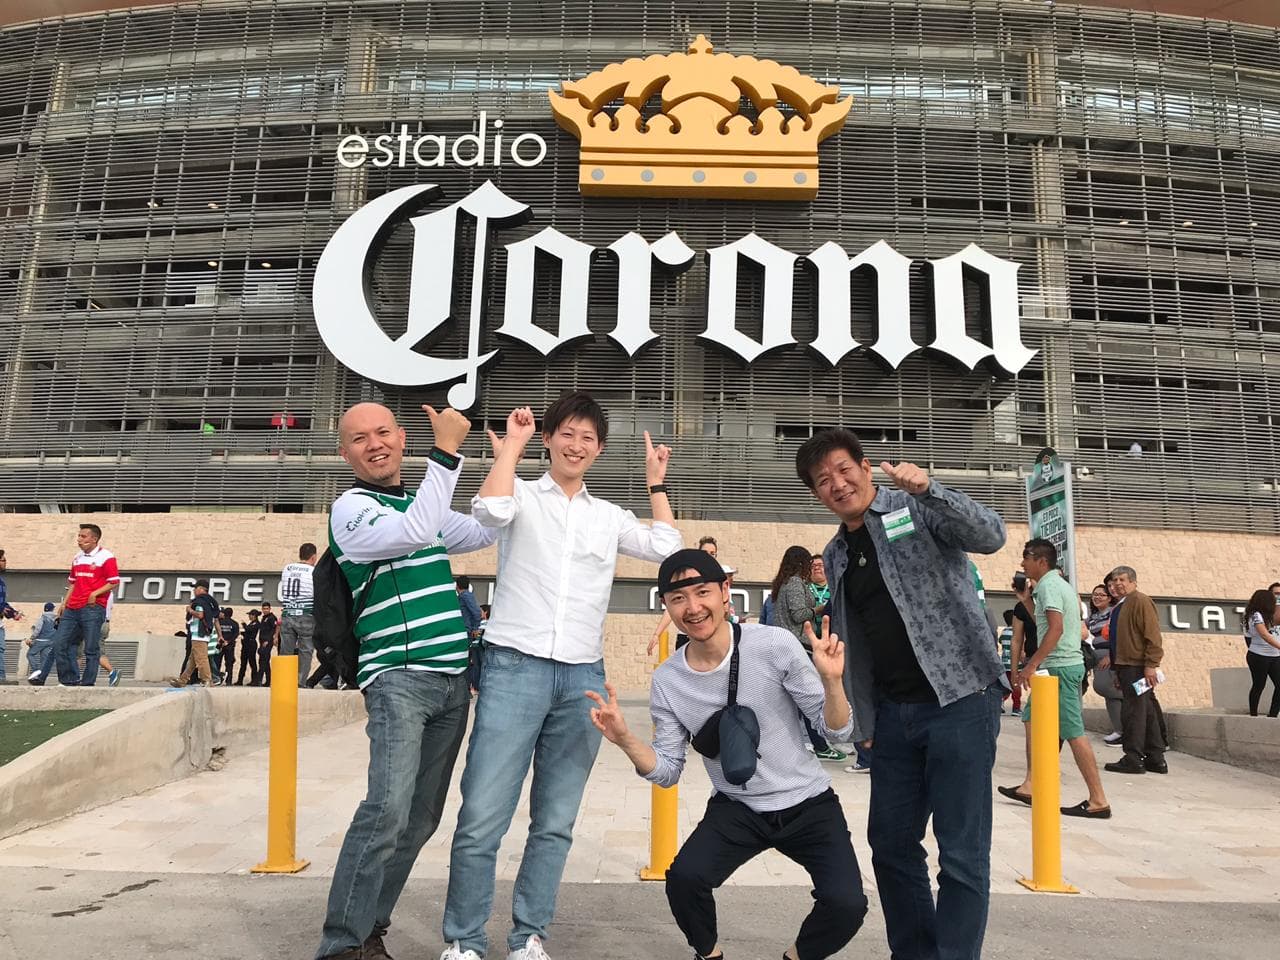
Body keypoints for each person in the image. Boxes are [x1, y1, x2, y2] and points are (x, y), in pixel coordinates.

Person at [440, 394, 681, 960]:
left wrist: (655, 486)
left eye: (588, 438)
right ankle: (464, 941)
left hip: (581, 678)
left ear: (599, 450)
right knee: (481, 816)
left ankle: (528, 937)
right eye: (566, 434)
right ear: (548, 439)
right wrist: (513, 450)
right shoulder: (521, 493)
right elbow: (489, 513)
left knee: (554, 822)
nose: (577, 445)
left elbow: (667, 548)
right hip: (512, 668)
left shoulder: (608, 516)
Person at [586, 549, 867, 960]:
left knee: (847, 904)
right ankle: (709, 954)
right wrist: (627, 739)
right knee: (684, 879)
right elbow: (666, 771)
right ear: (665, 605)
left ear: (725, 592)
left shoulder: (774, 645)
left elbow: (836, 730)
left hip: (808, 802)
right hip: (738, 808)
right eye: (678, 598)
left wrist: (832, 683)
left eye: (702, 593)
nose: (693, 608)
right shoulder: (668, 680)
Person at [796, 428, 1006, 960]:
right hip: (893, 717)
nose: (837, 484)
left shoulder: (916, 507)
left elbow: (991, 535)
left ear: (867, 467)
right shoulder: (836, 551)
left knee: (960, 855)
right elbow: (856, 641)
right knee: (890, 846)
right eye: (823, 481)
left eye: (845, 470)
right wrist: (861, 722)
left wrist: (930, 488)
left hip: (960, 700)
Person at [315, 402, 497, 960]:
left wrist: (507, 455)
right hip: (397, 678)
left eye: (384, 432)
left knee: (419, 818)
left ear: (400, 437)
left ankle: (371, 930)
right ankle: (340, 945)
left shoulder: (424, 502)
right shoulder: (352, 508)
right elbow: (415, 530)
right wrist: (446, 452)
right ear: (345, 452)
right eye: (359, 438)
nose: (375, 444)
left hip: (450, 682)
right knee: (386, 810)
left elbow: (488, 528)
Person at [998, 540, 1110, 819]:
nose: (1022, 564)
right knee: (1031, 719)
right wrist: (1025, 600)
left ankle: (1098, 800)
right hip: (1055, 669)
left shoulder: (1049, 585)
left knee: (1074, 733)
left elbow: (1056, 629)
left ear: (1042, 561)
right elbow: (1050, 625)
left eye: (1026, 558)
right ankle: (1032, 784)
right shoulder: (1054, 586)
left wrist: (1030, 665)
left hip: (1061, 669)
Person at [771, 545, 845, 764]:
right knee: (809, 698)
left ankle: (811, 743)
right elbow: (798, 614)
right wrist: (819, 609)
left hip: (787, 645)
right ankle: (821, 745)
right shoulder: (794, 582)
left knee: (792, 700)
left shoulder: (783, 583)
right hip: (797, 646)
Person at [1104, 565, 1169, 775]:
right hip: (1125, 666)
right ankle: (1155, 757)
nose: (1118, 584)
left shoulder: (1140, 601)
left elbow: (1152, 635)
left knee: (1133, 712)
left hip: (1137, 667)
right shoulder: (1121, 605)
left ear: (1133, 581)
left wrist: (1151, 665)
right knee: (1146, 711)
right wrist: (1116, 669)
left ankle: (1133, 757)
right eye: (1115, 581)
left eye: (1122, 580)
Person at [49, 524, 120, 687]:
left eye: (83, 536)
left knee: (91, 648)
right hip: (72, 608)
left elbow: (114, 581)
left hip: (93, 608)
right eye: (79, 536)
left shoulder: (106, 556)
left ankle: (88, 683)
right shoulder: (77, 557)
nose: (79, 539)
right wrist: (64, 603)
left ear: (94, 539)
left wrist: (94, 594)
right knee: (60, 643)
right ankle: (69, 680)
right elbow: (73, 582)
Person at [649, 536, 720, 654]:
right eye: (705, 553)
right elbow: (672, 607)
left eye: (712, 553)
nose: (708, 556)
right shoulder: (685, 576)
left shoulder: (719, 580)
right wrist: (657, 634)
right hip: (687, 638)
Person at [1086, 578, 1123, 744]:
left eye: (1102, 595)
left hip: (1110, 656)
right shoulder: (1092, 618)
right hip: (1097, 657)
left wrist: (1111, 656)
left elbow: (1118, 635)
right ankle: (1119, 730)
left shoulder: (1113, 612)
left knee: (1105, 688)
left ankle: (1125, 728)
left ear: (1109, 598)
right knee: (1110, 696)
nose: (1098, 597)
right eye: (1095, 595)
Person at [280, 543, 318, 686]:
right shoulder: (313, 571)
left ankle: (284, 683)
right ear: (313, 557)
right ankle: (299, 683)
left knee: (285, 652)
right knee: (305, 651)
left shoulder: (287, 569)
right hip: (306, 614)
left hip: (288, 613)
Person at [171, 580, 219, 687]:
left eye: (195, 588)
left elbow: (200, 615)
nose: (194, 590)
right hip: (203, 634)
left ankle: (207, 680)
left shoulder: (200, 601)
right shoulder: (210, 601)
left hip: (199, 634)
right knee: (192, 660)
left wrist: (190, 610)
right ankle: (183, 680)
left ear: (201, 589)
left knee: (201, 659)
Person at [1243, 588, 1280, 718]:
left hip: (1275, 656)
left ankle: (1273, 715)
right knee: (1259, 685)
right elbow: (1264, 635)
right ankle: (1253, 714)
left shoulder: (1270, 615)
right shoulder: (1255, 615)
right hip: (1258, 655)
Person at [0, 547, 22, 682]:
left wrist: (13, 614)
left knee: (0, 649)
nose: (5, 562)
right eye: (2, 560)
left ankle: (1, 678)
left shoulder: (1, 582)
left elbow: (2, 603)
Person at [25, 602, 57, 679]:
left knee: (30, 654)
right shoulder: (56, 619)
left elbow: (37, 630)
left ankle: (36, 671)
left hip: (40, 641)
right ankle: (41, 677)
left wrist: (31, 638)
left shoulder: (42, 618)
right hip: (51, 641)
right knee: (44, 659)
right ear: (52, 609)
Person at [997, 610, 1020, 715]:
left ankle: (1001, 701)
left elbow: (1000, 641)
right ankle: (1016, 708)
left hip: (1005, 664)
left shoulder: (1004, 631)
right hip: (1016, 664)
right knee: (1016, 687)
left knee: (1007, 686)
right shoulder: (1017, 632)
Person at [237, 608, 261, 685]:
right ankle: (240, 680)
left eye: (251, 615)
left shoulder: (256, 623)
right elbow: (247, 632)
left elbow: (249, 630)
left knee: (252, 662)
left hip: (251, 644)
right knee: (243, 663)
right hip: (246, 644)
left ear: (255, 616)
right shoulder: (251, 623)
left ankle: (255, 680)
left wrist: (244, 624)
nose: (249, 616)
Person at [258, 601, 279, 687]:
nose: (265, 610)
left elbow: (273, 630)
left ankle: (259, 680)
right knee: (265, 662)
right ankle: (268, 681)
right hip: (262, 641)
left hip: (267, 642)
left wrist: (268, 640)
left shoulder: (272, 618)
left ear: (270, 609)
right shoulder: (264, 617)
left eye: (267, 609)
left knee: (263, 661)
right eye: (264, 609)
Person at [217, 606, 239, 684]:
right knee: (229, 664)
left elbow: (216, 633)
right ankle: (228, 681)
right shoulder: (235, 623)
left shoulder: (219, 622)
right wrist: (228, 641)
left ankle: (217, 679)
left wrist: (222, 641)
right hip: (230, 646)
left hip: (220, 645)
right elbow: (236, 635)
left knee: (217, 663)